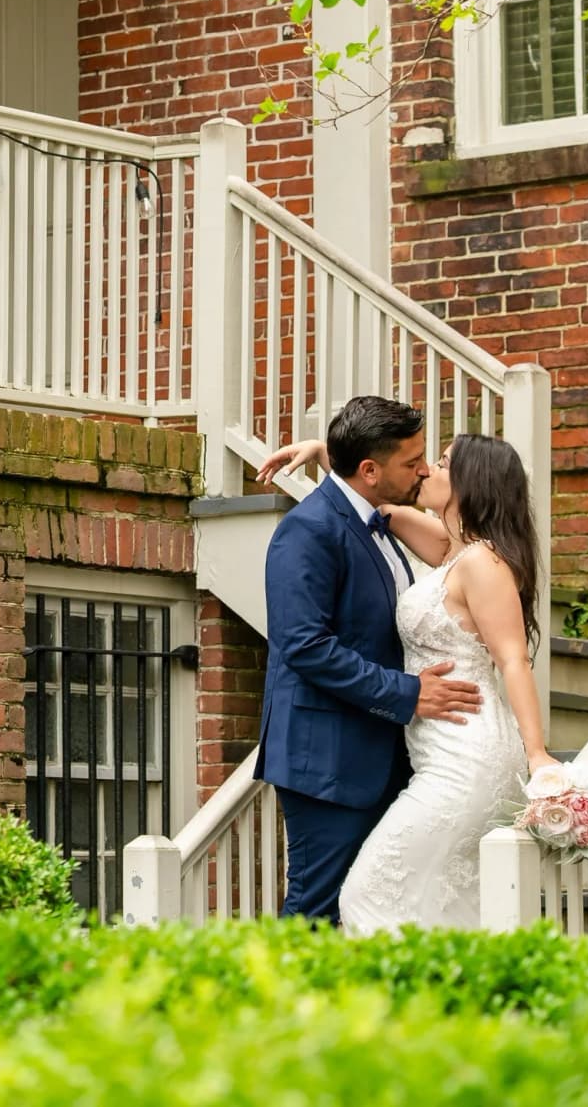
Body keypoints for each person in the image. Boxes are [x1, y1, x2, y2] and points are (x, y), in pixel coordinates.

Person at [259, 429, 557, 933]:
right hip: (433, 748)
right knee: (430, 900)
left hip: (465, 750)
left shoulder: (482, 563)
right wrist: (328, 454)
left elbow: (513, 661)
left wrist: (538, 754)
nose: (426, 470)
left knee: (366, 894)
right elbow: (369, 496)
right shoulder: (451, 549)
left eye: (440, 462)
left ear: (470, 482)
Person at [254, 397, 484, 926]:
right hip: (328, 760)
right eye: (412, 462)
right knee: (317, 910)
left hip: (382, 755)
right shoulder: (308, 529)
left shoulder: (377, 517)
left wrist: (324, 450)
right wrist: (409, 693)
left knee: (375, 907)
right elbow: (304, 645)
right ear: (370, 470)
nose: (423, 470)